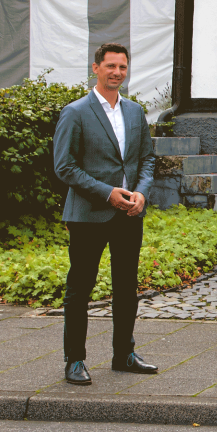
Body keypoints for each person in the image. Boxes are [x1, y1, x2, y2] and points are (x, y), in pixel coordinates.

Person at [52, 43, 158, 386]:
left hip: (130, 214)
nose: (117, 72)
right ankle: (75, 360)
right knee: (80, 288)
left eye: (123, 67)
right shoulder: (76, 112)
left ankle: (124, 354)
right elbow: (64, 167)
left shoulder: (134, 111)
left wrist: (140, 192)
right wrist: (108, 193)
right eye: (110, 66)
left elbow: (146, 159)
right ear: (95, 68)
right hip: (87, 214)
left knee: (127, 287)